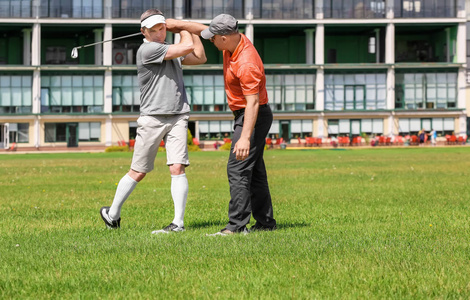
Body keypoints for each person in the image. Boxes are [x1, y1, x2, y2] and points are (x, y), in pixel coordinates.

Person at [167, 14, 277, 235]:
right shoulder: (233, 40)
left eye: (213, 38)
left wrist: (245, 137)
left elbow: (253, 103)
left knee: (237, 168)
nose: (210, 41)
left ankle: (236, 227)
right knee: (254, 171)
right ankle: (265, 223)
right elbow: (201, 29)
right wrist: (176, 24)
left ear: (224, 38)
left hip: (252, 115)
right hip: (246, 114)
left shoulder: (246, 63)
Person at [99, 8, 206, 233]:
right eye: (153, 30)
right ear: (144, 32)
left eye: (162, 28)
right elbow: (186, 47)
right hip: (152, 118)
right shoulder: (147, 49)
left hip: (177, 114)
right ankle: (112, 214)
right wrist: (185, 26)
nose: (158, 33)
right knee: (139, 171)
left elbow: (200, 57)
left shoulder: (170, 50)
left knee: (177, 167)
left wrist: (186, 28)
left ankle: (178, 223)